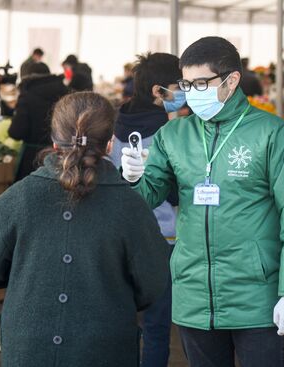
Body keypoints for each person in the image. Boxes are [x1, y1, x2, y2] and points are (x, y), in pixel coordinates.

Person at [121, 36, 284, 367]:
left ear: (232, 80)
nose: (192, 92)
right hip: (193, 296)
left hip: (256, 296)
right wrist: (133, 178)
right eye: (187, 83)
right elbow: (148, 196)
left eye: (202, 82)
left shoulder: (272, 133)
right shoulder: (174, 135)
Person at [0, 91, 169, 367]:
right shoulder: (131, 205)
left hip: (28, 347)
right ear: (110, 144)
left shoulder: (19, 197)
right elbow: (153, 283)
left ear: (53, 143)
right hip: (106, 345)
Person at [109, 52, 183, 367]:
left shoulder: (114, 123)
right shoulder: (170, 132)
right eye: (178, 86)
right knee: (156, 324)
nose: (184, 92)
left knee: (122, 322)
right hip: (162, 237)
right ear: (157, 91)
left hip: (118, 236)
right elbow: (178, 192)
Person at [8, 62, 68, 181]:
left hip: (32, 160)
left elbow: (16, 132)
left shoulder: (27, 95)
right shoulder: (66, 92)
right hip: (64, 157)